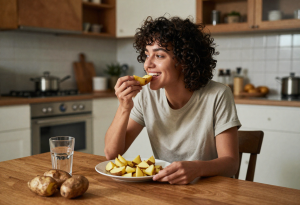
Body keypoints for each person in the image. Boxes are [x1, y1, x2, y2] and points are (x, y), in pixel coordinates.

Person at [104, 16, 241, 185]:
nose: (147, 64)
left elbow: (231, 163)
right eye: (147, 54)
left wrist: (197, 168)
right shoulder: (146, 95)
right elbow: (111, 154)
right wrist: (124, 107)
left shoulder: (218, 94)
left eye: (159, 55)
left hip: (211, 190)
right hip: (167, 190)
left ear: (185, 59)